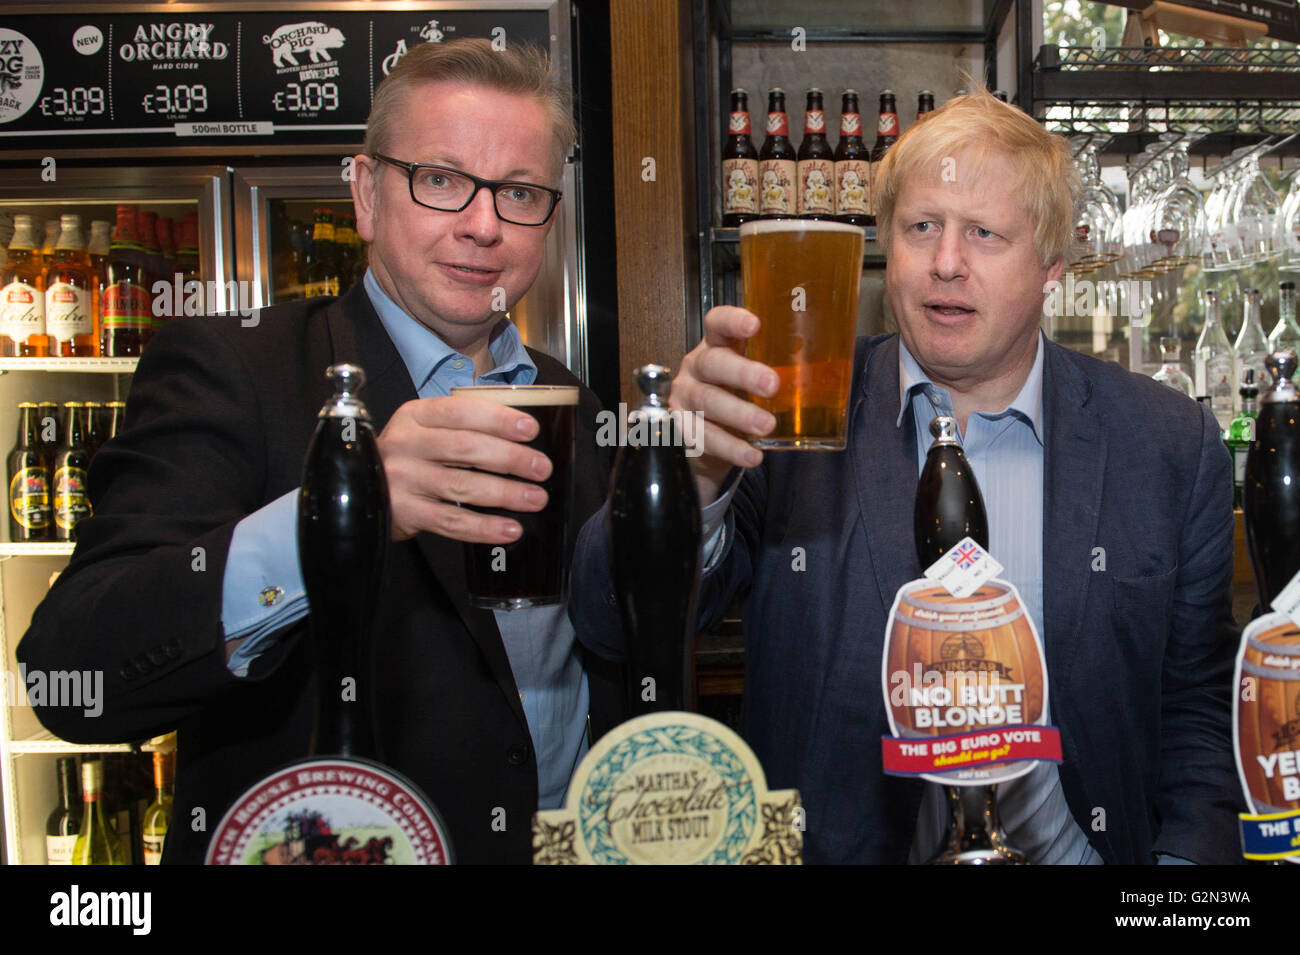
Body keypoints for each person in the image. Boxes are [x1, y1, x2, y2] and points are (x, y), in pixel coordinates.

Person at [570, 86, 1243, 864]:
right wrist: (691, 472)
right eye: (922, 226)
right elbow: (606, 621)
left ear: (1053, 267)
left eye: (985, 234)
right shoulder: (787, 413)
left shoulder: (1166, 442)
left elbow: (1197, 709)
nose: (946, 263)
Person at [18, 39, 620, 865]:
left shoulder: (569, 400)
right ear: (368, 194)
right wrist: (332, 518)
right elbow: (71, 672)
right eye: (441, 180)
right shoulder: (233, 367)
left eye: (518, 192)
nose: (483, 224)